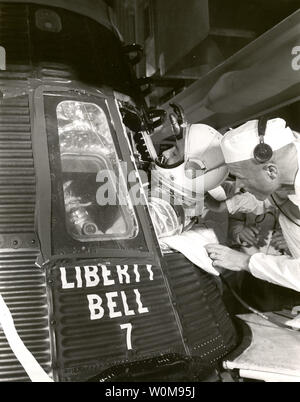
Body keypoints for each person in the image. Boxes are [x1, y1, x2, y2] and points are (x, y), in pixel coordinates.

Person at [205, 118, 300, 293]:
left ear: (270, 171)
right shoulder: (283, 177)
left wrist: (244, 261)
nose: (239, 185)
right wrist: (219, 204)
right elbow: (255, 200)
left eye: (242, 177)